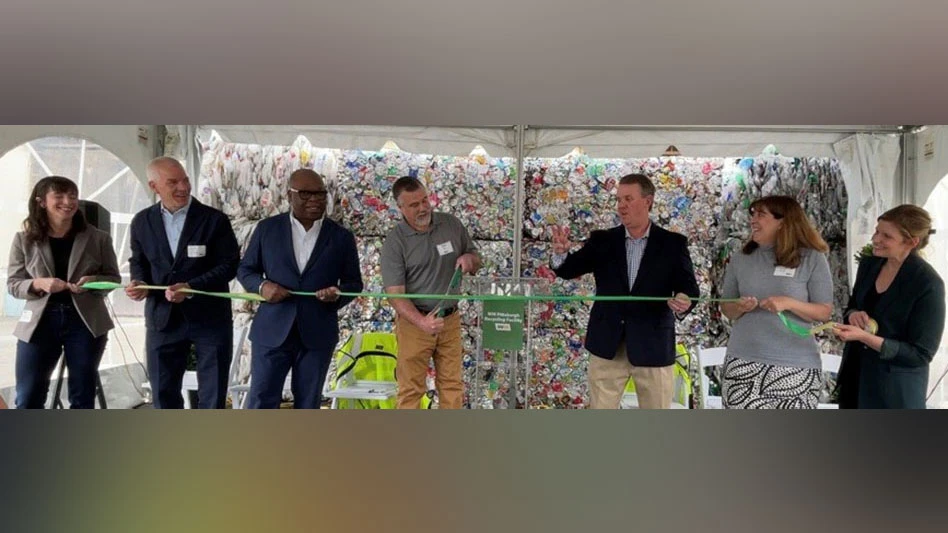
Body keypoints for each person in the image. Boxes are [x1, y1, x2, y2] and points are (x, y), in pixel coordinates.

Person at [550, 173, 699, 409]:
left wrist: (683, 299)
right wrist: (560, 254)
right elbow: (569, 269)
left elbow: (689, 287)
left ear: (648, 201)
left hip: (653, 346)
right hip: (607, 345)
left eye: (628, 199)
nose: (621, 205)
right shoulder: (602, 240)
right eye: (619, 199)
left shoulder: (672, 244)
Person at [238, 169, 363, 409]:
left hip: (318, 332)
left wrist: (337, 295)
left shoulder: (341, 237)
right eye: (306, 194)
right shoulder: (267, 229)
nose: (315, 200)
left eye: (320, 194)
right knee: (262, 399)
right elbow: (246, 270)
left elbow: (354, 283)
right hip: (272, 330)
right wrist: (262, 286)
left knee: (308, 402)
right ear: (289, 195)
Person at [126, 157, 240, 409]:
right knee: (163, 392)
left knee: (213, 394)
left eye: (185, 180)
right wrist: (139, 282)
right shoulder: (142, 221)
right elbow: (138, 260)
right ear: (154, 186)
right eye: (173, 182)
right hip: (162, 318)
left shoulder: (214, 220)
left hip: (209, 319)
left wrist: (192, 287)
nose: (183, 187)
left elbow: (229, 265)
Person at [7, 176, 121, 408]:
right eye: (58, 196)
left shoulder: (98, 238)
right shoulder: (24, 239)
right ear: (41, 202)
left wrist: (94, 281)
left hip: (85, 322)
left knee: (82, 395)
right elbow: (13, 284)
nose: (67, 202)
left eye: (72, 196)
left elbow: (113, 279)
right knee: (28, 395)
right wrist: (38, 283)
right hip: (39, 323)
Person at [718, 195, 833, 409]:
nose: (753, 219)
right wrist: (738, 307)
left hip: (795, 367)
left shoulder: (812, 258)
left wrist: (789, 303)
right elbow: (726, 308)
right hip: (743, 363)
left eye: (761, 214)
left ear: (783, 222)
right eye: (753, 214)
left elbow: (824, 312)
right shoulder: (740, 259)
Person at [381, 177, 480, 409]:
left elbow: (476, 258)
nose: (423, 208)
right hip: (414, 323)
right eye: (414, 205)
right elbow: (395, 294)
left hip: (449, 319)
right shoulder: (395, 242)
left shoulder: (451, 224)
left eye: (425, 200)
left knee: (452, 385)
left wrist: (470, 260)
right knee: (411, 389)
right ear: (401, 208)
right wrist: (421, 322)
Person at [833, 205, 945, 409]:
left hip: (894, 393)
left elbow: (920, 354)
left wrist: (865, 337)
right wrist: (854, 315)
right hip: (854, 383)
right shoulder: (869, 265)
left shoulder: (928, 284)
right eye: (877, 231)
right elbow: (851, 306)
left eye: (886, 236)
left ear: (912, 242)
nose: (876, 239)